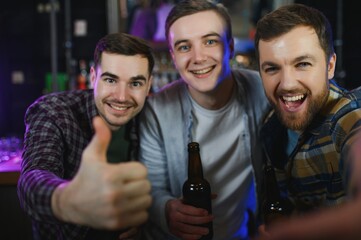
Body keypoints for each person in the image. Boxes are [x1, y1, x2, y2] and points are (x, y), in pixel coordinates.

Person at [138, 0, 270, 239]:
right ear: (173, 56)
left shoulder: (264, 91)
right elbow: (151, 189)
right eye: (184, 47)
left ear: (230, 46)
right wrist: (167, 209)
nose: (198, 58)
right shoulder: (157, 110)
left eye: (210, 41)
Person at [17, 32, 154, 240]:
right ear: (93, 77)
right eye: (110, 80)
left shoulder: (150, 118)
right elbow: (33, 178)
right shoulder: (54, 111)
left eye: (135, 83)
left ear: (148, 85)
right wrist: (67, 201)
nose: (121, 96)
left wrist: (145, 221)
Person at [254, 3, 361, 240]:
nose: (288, 83)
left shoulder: (347, 116)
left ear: (330, 66)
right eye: (272, 68)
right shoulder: (271, 126)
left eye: (302, 64)